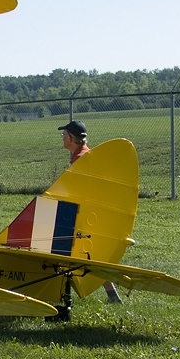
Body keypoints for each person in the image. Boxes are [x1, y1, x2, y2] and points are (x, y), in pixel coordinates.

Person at [57, 121, 122, 303]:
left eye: (64, 134)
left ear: (71, 138)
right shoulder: (81, 156)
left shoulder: (82, 159)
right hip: (86, 213)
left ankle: (59, 294)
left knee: (78, 254)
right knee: (87, 255)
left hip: (86, 215)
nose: (62, 137)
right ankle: (112, 296)